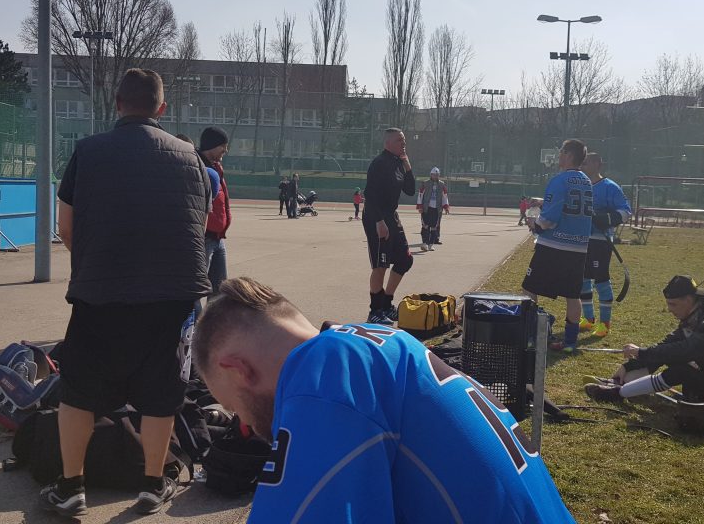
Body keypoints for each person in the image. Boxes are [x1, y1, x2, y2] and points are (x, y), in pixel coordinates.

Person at [192, 277, 577, 523]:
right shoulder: (380, 342)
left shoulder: (326, 373)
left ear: (237, 370)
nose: (245, 426)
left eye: (235, 409)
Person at [46, 68, 211, 517]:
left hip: (101, 294)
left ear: (118, 103)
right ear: (162, 108)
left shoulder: (87, 151)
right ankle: (153, 485)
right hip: (172, 296)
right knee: (162, 394)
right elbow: (197, 227)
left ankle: (71, 486)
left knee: (78, 391)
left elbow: (67, 227)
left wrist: (97, 265)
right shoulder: (190, 157)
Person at [583, 275, 704, 411]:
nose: (669, 309)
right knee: (669, 355)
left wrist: (642, 352)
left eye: (673, 304)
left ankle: (618, 393)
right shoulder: (694, 314)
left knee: (681, 368)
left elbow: (687, 350)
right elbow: (667, 346)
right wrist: (630, 365)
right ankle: (622, 382)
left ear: (688, 300)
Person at [522, 139, 593, 353]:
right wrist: (544, 203)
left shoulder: (559, 180)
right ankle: (570, 343)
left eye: (561, 152)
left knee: (529, 288)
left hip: (554, 246)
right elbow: (570, 206)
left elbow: (549, 219)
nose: (559, 155)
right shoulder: (586, 182)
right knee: (573, 295)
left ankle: (531, 335)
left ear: (569, 155)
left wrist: (535, 224)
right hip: (578, 247)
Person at [363, 128, 416, 324]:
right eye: (399, 140)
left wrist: (408, 167)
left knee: (405, 259)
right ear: (387, 144)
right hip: (375, 215)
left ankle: (386, 304)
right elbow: (369, 195)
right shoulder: (380, 163)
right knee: (381, 265)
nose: (403, 144)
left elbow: (410, 190)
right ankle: (375, 311)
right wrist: (379, 222)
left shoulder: (399, 163)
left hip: (391, 215)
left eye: (404, 140)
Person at [578, 153, 632, 338]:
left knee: (601, 279)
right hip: (581, 240)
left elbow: (625, 211)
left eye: (585, 163)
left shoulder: (610, 187)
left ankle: (605, 323)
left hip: (600, 241)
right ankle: (588, 318)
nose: (581, 166)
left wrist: (606, 218)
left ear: (596, 164)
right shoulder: (580, 185)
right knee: (583, 279)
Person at [199, 126, 231, 297]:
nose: (225, 151)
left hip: (218, 237)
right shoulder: (197, 165)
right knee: (196, 289)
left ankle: (215, 316)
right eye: (223, 147)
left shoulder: (217, 167)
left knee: (220, 293)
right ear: (212, 145)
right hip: (205, 237)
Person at [416, 167, 449, 251]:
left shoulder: (442, 184)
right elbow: (420, 195)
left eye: (437, 175)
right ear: (431, 175)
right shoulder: (425, 183)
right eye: (434, 175)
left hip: (436, 209)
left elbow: (444, 196)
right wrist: (420, 206)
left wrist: (446, 206)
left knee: (434, 227)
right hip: (426, 208)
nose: (435, 176)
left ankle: (431, 244)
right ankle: (425, 243)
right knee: (425, 226)